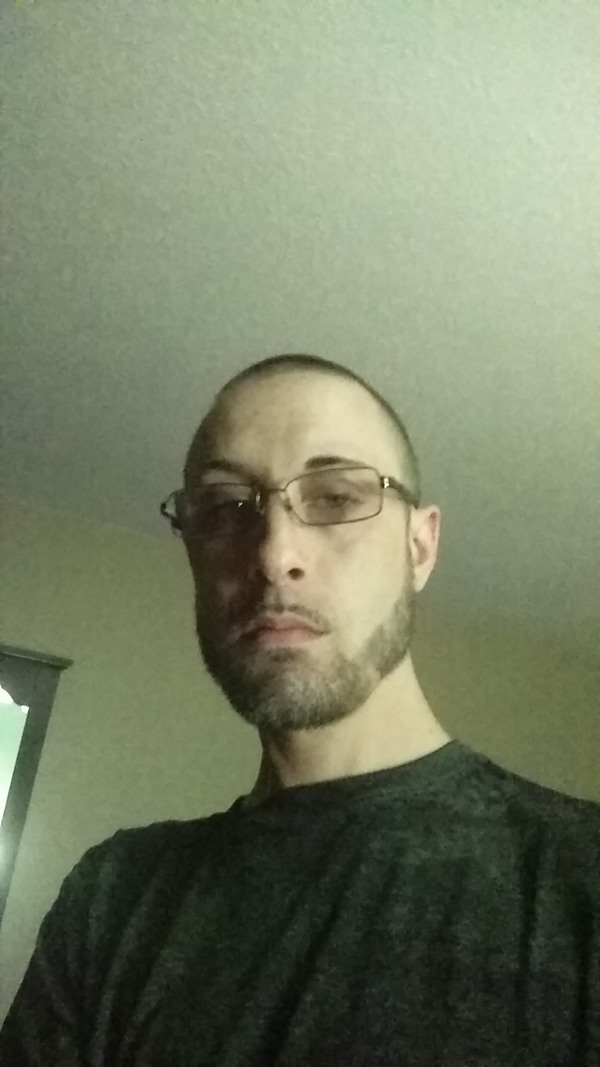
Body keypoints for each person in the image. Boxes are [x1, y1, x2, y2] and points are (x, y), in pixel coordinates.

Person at [1, 353, 598, 1065]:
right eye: (226, 508)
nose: (274, 554)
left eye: (337, 497)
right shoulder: (115, 896)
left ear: (420, 546)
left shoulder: (581, 877)